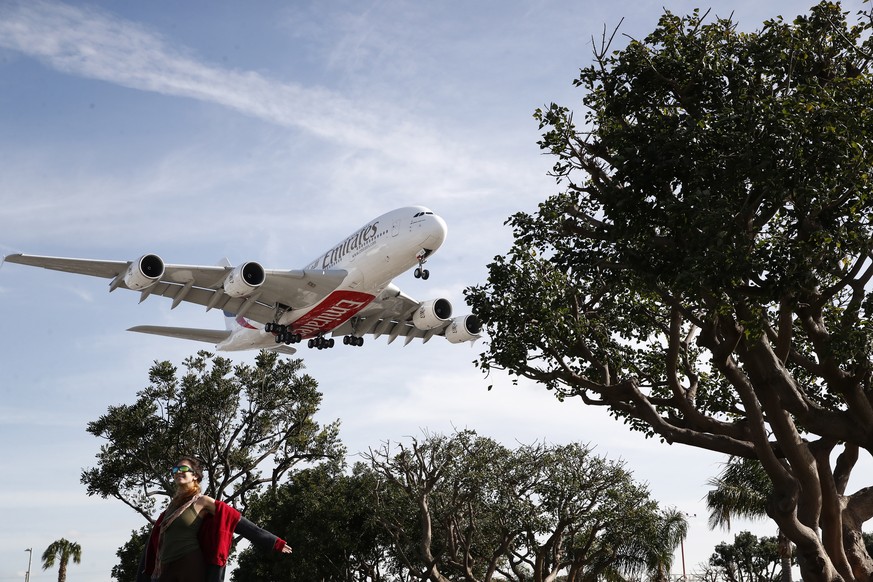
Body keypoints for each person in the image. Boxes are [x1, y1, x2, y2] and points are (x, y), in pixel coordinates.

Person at [137, 456, 292, 582]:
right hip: (166, 566)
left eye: (183, 468)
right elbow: (155, 542)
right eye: (175, 470)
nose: (178, 472)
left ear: (195, 475)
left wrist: (273, 542)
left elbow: (237, 520)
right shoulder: (170, 509)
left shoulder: (202, 501)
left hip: (190, 563)